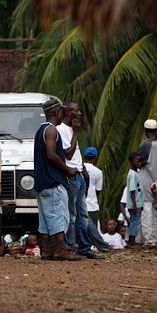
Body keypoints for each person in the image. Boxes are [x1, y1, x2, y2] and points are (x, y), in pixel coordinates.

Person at [33, 98, 81, 261]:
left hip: (42, 182)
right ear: (55, 112)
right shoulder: (52, 130)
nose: (63, 114)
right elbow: (51, 155)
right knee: (58, 215)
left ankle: (47, 250)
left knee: (46, 218)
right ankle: (61, 249)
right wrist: (67, 169)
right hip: (53, 181)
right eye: (61, 111)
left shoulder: (41, 130)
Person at [57, 102, 103, 259]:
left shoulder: (71, 130)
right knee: (71, 214)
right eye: (77, 111)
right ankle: (69, 247)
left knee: (83, 215)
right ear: (69, 113)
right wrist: (76, 133)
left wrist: (83, 169)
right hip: (70, 176)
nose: (80, 114)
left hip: (79, 175)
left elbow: (76, 153)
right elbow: (67, 154)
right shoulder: (61, 130)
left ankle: (84, 248)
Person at [136, 119, 157, 247]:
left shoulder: (145, 144)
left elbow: (138, 161)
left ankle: (149, 240)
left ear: (145, 131)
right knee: (155, 209)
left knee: (146, 209)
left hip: (145, 178)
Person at [83, 147, 111, 252]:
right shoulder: (98, 172)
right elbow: (98, 190)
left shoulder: (78, 169)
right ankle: (94, 247)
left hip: (80, 204)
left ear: (84, 157)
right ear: (95, 158)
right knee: (92, 228)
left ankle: (83, 247)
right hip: (92, 204)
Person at [126, 152, 144, 247]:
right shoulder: (132, 174)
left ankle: (132, 240)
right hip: (135, 202)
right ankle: (131, 241)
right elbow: (132, 189)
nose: (140, 163)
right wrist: (134, 203)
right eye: (138, 161)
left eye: (141, 161)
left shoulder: (135, 173)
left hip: (137, 202)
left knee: (135, 221)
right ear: (131, 162)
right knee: (134, 221)